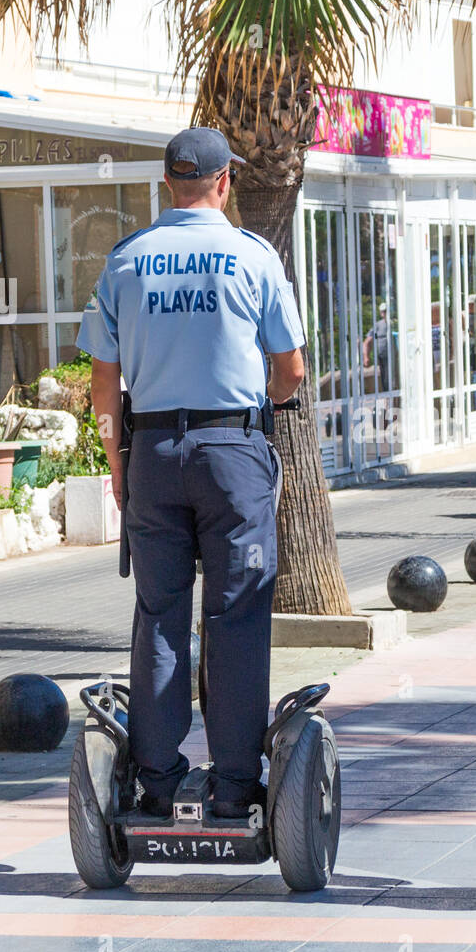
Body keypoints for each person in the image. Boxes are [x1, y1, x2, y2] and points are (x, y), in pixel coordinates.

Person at [78, 127, 305, 819]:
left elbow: (101, 384)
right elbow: (290, 373)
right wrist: (250, 418)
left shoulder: (127, 260)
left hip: (151, 452)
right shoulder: (252, 257)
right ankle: (234, 785)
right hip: (229, 451)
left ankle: (156, 779)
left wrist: (120, 462)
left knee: (160, 615)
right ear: (225, 182)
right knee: (236, 616)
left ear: (168, 183)